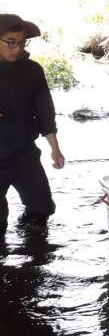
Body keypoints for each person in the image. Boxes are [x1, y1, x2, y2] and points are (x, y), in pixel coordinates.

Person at [0, 14, 65, 237]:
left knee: (42, 208)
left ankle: (34, 257)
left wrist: (55, 149)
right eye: (11, 42)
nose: (17, 49)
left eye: (22, 43)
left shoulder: (32, 70)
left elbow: (45, 111)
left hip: (24, 153)